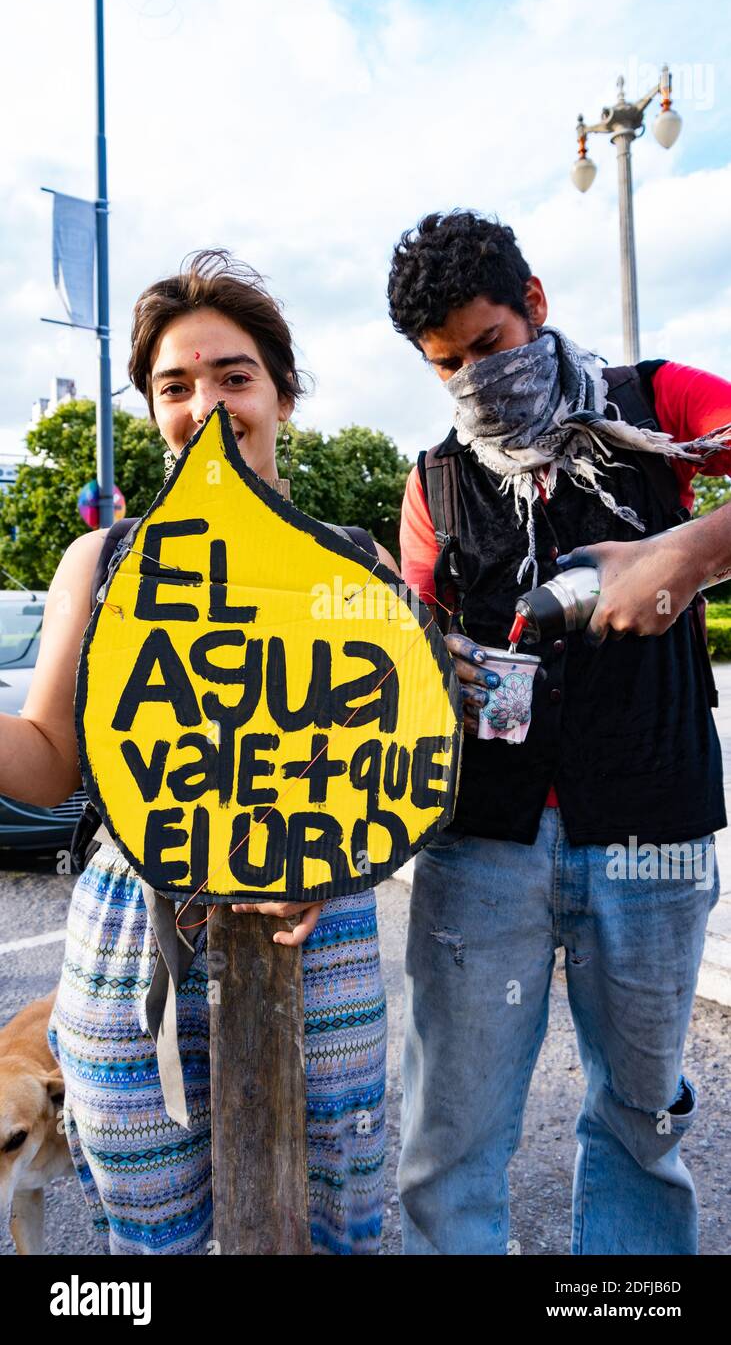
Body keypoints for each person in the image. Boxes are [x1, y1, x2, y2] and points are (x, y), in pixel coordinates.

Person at [2, 250, 399, 1255]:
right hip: (133, 928)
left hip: (321, 928)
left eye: (235, 377)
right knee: (152, 1232)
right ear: (151, 410)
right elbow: (50, 760)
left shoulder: (354, 561)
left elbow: (401, 759)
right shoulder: (100, 562)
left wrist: (331, 855)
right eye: (175, 385)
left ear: (282, 396)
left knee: (334, 1213)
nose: (206, 405)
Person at [387, 209, 730, 1256]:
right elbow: (409, 649)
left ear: (533, 304)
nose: (471, 380)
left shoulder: (655, 404)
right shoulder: (432, 481)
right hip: (478, 850)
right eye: (444, 365)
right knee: (449, 1138)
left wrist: (690, 551)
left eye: (486, 346)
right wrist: (424, 662)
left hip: (650, 829)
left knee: (637, 1126)